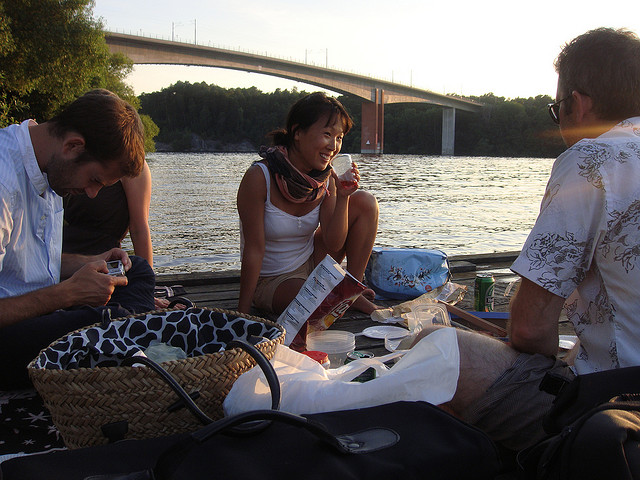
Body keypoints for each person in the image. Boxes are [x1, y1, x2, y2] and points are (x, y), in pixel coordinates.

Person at [412, 27, 640, 451]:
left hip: (618, 408)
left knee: (435, 347)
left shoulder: (593, 158)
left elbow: (532, 331)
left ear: (578, 104)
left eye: (558, 110)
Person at [0, 89, 156, 389]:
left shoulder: (50, 165)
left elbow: (24, 263)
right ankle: (131, 357)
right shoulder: (5, 182)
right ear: (73, 146)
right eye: (95, 179)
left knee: (136, 271)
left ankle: (124, 349)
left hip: (41, 311)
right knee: (112, 319)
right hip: (9, 332)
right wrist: (68, 294)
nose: (92, 193)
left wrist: (92, 262)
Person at [237, 92, 380, 323]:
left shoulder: (324, 178)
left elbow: (334, 242)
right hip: (273, 279)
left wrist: (343, 197)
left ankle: (352, 288)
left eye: (339, 137)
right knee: (316, 301)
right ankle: (340, 295)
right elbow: (253, 250)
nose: (333, 146)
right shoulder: (259, 177)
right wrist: (241, 315)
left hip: (312, 260)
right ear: (297, 133)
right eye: (327, 134)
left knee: (365, 202)